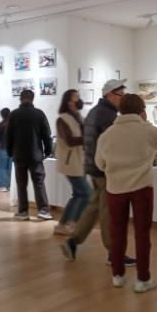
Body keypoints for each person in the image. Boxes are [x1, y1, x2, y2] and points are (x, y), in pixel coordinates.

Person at [61, 79, 137, 267]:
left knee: (93, 207)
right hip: (103, 170)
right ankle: (114, 253)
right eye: (120, 95)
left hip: (94, 168)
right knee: (108, 211)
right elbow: (113, 144)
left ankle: (73, 241)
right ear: (110, 95)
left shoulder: (96, 111)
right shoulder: (107, 115)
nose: (122, 98)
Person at [95, 94, 157, 293]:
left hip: (115, 188)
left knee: (117, 231)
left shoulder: (107, 134)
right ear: (142, 110)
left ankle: (117, 275)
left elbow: (99, 164)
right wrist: (145, 122)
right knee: (142, 233)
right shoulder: (146, 129)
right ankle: (143, 279)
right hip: (142, 187)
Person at [6, 90, 53, 221]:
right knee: (39, 183)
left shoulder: (14, 114)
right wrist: (48, 151)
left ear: (20, 99)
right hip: (35, 155)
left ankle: (23, 212)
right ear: (33, 99)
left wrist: (10, 152)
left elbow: (8, 136)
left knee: (21, 184)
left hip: (19, 155)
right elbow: (47, 135)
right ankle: (43, 210)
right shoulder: (39, 114)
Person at [54, 90, 91, 236]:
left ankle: (62, 225)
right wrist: (89, 137)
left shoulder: (80, 117)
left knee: (77, 194)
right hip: (70, 162)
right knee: (86, 193)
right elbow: (69, 140)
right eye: (76, 97)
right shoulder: (62, 119)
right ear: (68, 101)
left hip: (80, 161)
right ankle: (72, 222)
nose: (79, 100)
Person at [0, 108, 12, 192]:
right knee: (11, 168)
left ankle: (4, 186)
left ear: (1, 115)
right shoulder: (14, 125)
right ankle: (11, 186)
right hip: (12, 149)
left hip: (3, 149)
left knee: (3, 168)